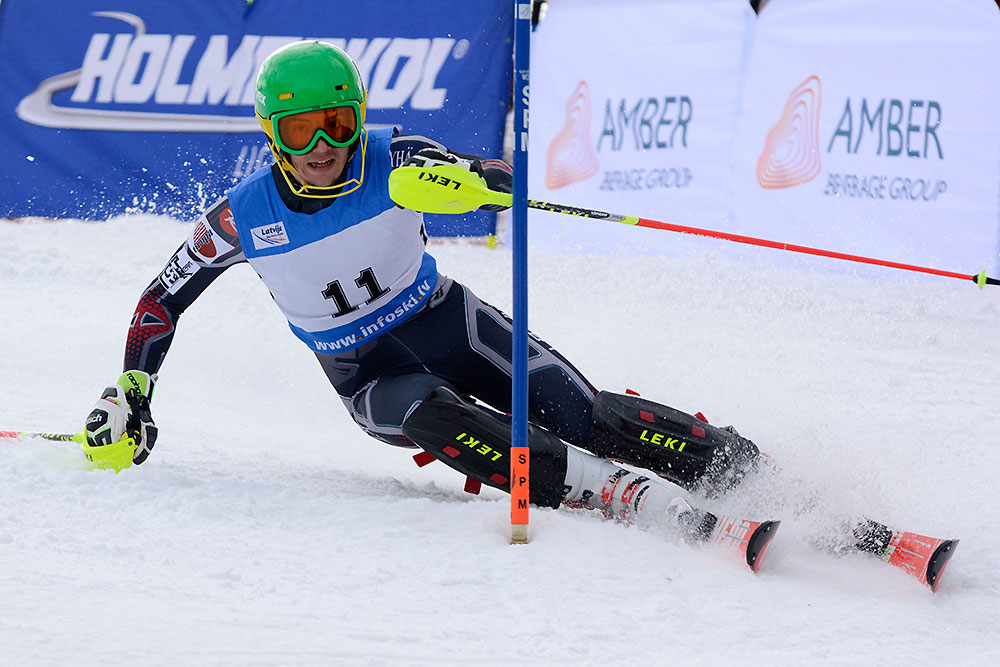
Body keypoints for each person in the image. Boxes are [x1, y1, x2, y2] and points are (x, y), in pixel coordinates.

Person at [81, 41, 916, 575]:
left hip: (447, 317)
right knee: (445, 419)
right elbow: (162, 300)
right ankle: (609, 493)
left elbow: (483, 174)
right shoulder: (240, 217)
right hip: (369, 374)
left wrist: (486, 181)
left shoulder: (394, 155)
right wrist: (134, 389)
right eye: (301, 131)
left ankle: (758, 473)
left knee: (585, 410)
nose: (326, 146)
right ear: (272, 135)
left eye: (339, 121)